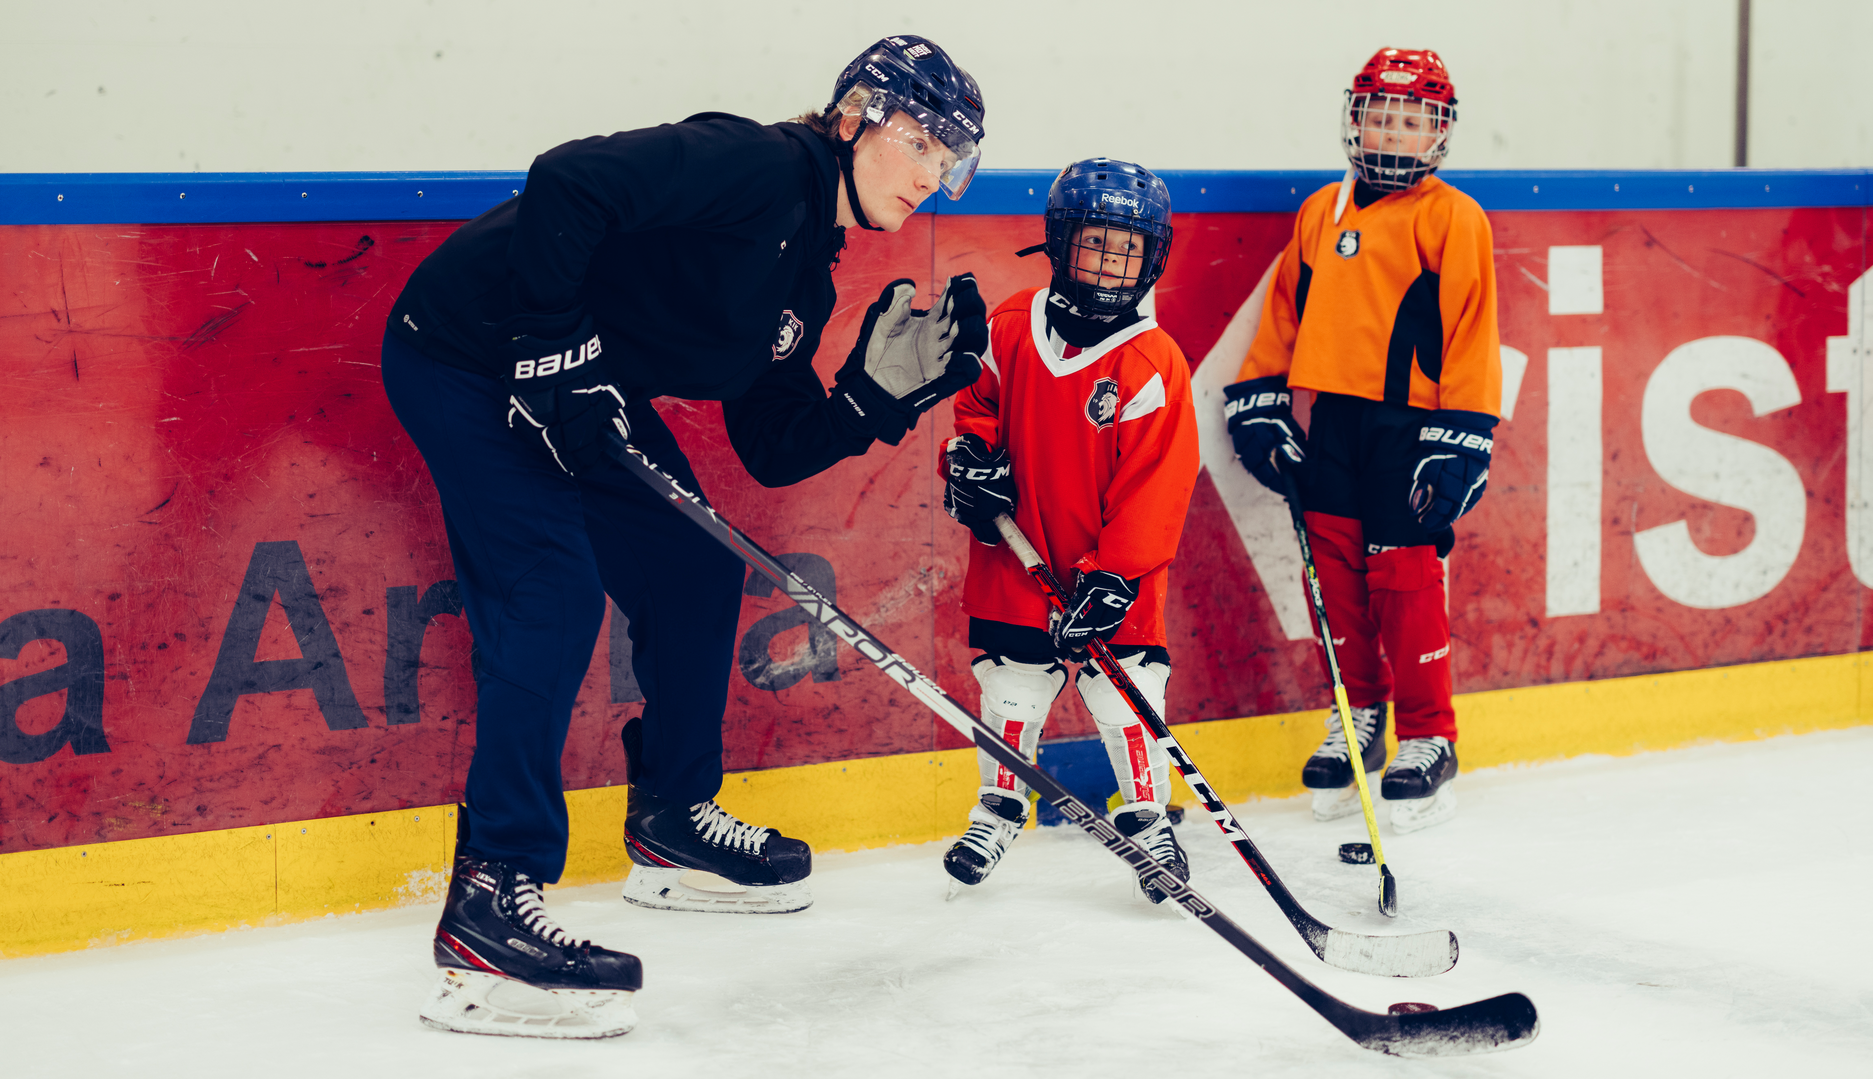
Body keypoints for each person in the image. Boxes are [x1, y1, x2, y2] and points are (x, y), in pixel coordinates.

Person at [385, 35, 989, 1038]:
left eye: (950, 159)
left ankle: (669, 821)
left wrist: (875, 401)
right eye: (921, 143)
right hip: (464, 354)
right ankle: (491, 898)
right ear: (854, 118)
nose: (934, 177)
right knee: (553, 592)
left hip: (575, 384)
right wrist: (550, 349)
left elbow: (771, 446)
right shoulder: (753, 166)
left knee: (696, 569)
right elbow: (569, 180)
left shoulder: (806, 283)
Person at [1223, 48, 1499, 835]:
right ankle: (1359, 718)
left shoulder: (1453, 217)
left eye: (1413, 121)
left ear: (1437, 134)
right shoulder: (1321, 212)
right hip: (1333, 424)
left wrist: (1462, 441)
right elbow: (1282, 312)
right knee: (1333, 573)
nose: (1396, 132)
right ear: (1357, 119)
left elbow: (1473, 334)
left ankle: (1427, 735)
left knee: (1402, 580)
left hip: (1412, 431)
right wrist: (1259, 401)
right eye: (1383, 115)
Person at [939, 158, 1200, 903]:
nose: (1114, 263)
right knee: (1012, 686)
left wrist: (1116, 572)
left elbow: (1157, 484)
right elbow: (974, 413)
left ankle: (1149, 820)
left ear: (1155, 256)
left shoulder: (1153, 360)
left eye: (1130, 248)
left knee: (1127, 696)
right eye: (1097, 243)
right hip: (1014, 558)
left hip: (1112, 575)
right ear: (1059, 242)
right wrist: (968, 463)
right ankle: (998, 806)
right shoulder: (1011, 326)